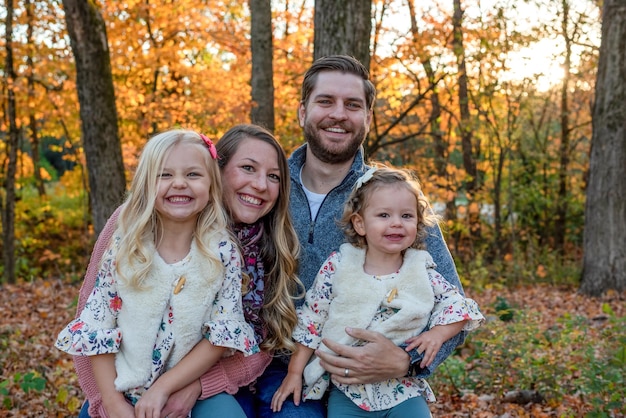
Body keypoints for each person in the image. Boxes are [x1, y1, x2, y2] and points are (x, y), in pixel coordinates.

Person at [251, 55, 470, 418]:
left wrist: (406, 362)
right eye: (326, 101)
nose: (339, 114)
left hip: (381, 378)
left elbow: (451, 302)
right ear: (302, 112)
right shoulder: (269, 188)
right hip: (289, 367)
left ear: (367, 118)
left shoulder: (393, 200)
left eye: (352, 105)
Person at [68, 125, 302, 418]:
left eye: (273, 176)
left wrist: (169, 387)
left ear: (209, 183)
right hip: (121, 385)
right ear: (220, 173)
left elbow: (226, 333)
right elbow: (94, 324)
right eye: (165, 175)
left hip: (201, 384)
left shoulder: (225, 252)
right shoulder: (126, 238)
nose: (260, 185)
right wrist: (108, 402)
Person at [271, 165, 484, 417]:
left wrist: (437, 334)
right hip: (348, 391)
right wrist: (295, 373)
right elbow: (312, 321)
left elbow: (459, 307)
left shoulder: (421, 269)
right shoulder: (340, 265)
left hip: (402, 390)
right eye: (384, 215)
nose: (396, 223)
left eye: (406, 216)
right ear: (360, 224)